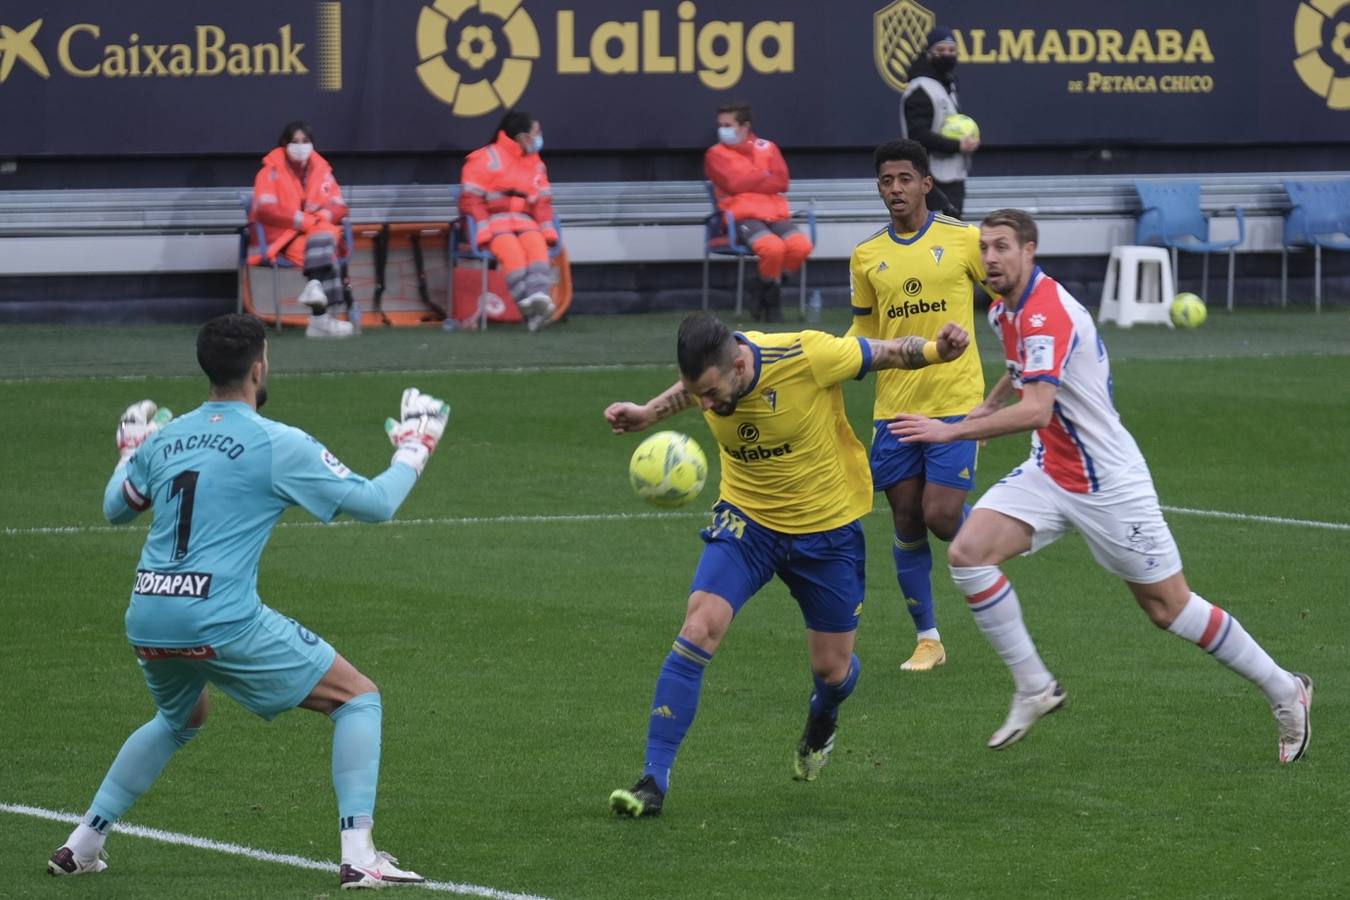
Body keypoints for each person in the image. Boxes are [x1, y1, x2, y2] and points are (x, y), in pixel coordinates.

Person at [889, 209, 1313, 760]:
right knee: (968, 554)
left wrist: (956, 428)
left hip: (1107, 482)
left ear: (1029, 251)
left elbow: (1039, 409)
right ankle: (1034, 687)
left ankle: (1286, 689)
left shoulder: (1045, 312)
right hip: (1050, 470)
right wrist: (988, 404)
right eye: (984, 248)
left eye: (1001, 247)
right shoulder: (1004, 311)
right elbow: (1023, 373)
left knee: (1168, 608)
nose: (990, 258)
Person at [46, 314, 451, 888]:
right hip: (218, 616)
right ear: (259, 366)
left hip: (149, 611)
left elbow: (116, 506)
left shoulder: (167, 437)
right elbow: (376, 503)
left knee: (181, 716)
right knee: (358, 700)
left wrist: (129, 448)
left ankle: (82, 844)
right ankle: (360, 855)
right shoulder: (275, 442)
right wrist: (416, 446)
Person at [603, 312, 971, 817]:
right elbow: (693, 387)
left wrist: (935, 351)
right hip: (748, 525)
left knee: (833, 670)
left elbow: (885, 351)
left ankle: (824, 719)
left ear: (737, 363)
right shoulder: (713, 376)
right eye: (698, 394)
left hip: (828, 532)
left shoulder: (807, 355)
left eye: (710, 393)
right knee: (698, 627)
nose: (705, 405)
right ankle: (652, 781)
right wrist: (649, 412)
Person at [847, 139, 988, 673]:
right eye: (886, 181)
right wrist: (841, 360)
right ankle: (929, 639)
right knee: (907, 519)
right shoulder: (866, 256)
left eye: (905, 178)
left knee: (941, 515)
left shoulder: (964, 239)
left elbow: (1006, 296)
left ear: (926, 183)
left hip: (956, 401)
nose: (895, 189)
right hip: (895, 409)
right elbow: (864, 330)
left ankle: (994, 533)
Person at [705, 102, 813, 323]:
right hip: (741, 215)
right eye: (720, 125)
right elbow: (733, 184)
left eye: (728, 124)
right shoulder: (714, 154)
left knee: (801, 246)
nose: (722, 129)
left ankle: (761, 287)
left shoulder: (768, 147)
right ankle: (773, 306)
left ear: (745, 126)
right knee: (772, 248)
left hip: (776, 213)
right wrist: (764, 175)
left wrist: (750, 180)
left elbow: (782, 182)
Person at [250, 121, 356, 338]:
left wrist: (322, 217)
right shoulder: (268, 172)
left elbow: (339, 205)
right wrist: (303, 221)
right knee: (327, 245)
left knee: (323, 240)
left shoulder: (323, 170)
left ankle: (315, 289)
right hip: (281, 238)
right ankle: (320, 321)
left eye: (305, 141)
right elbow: (265, 209)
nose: (300, 146)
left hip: (314, 235)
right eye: (295, 142)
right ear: (284, 144)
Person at [459, 109, 559, 332]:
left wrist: (547, 230)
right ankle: (529, 305)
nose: (540, 137)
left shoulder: (536, 164)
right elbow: (471, 201)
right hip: (496, 225)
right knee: (512, 253)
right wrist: (483, 230)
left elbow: (543, 203)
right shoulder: (485, 158)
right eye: (537, 133)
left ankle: (539, 298)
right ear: (523, 137)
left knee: (537, 249)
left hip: (526, 223)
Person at [899, 27, 978, 219]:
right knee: (936, 239)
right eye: (941, 50)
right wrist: (958, 145)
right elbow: (918, 135)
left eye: (952, 50)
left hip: (952, 176)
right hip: (931, 178)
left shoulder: (947, 84)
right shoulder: (920, 89)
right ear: (928, 54)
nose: (947, 55)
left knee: (953, 236)